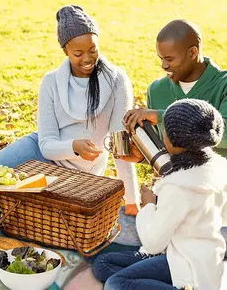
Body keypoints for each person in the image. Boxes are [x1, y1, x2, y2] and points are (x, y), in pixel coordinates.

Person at [0, 5, 140, 215]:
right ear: (65, 50)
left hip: (76, 175)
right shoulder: (51, 82)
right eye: (78, 53)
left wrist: (131, 200)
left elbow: (120, 146)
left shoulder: (117, 80)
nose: (88, 59)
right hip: (40, 153)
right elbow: (46, 145)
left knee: (13, 204)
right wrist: (73, 146)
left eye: (93, 49)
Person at [93, 98, 227, 290]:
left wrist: (149, 205)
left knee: (116, 283)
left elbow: (153, 242)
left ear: (171, 140)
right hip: (201, 257)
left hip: (187, 267)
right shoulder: (218, 168)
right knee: (103, 264)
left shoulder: (178, 187)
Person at [122, 19, 227, 163]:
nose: (163, 65)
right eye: (161, 58)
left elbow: (224, 135)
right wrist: (143, 158)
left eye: (169, 59)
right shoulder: (157, 90)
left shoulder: (223, 85)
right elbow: (165, 152)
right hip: (176, 181)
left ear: (192, 53)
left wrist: (162, 117)